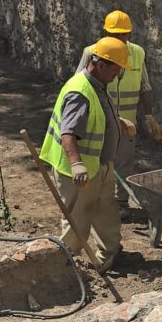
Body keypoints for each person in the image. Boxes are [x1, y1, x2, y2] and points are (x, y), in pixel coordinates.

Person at [39, 37, 135, 269]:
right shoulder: (80, 92)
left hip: (100, 166)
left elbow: (96, 113)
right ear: (101, 64)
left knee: (106, 212)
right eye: (116, 69)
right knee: (77, 220)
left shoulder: (97, 84)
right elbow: (68, 133)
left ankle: (109, 254)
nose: (118, 75)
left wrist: (116, 121)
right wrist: (76, 164)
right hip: (81, 170)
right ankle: (65, 264)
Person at [77, 10, 156, 205]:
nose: (120, 38)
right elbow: (81, 84)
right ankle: (96, 200)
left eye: (124, 34)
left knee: (124, 163)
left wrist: (148, 116)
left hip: (127, 122)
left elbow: (144, 86)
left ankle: (121, 203)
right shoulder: (92, 52)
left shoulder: (137, 53)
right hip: (100, 121)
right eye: (115, 34)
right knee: (99, 162)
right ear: (105, 32)